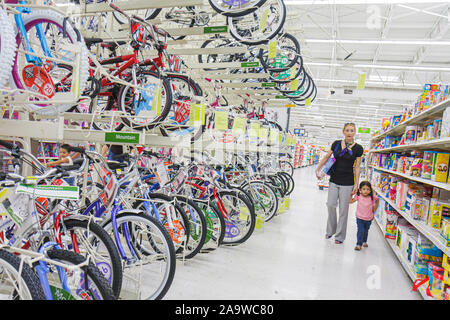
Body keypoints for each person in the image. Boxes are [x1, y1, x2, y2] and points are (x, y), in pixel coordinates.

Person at [315, 123, 364, 244]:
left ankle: (340, 236)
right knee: (330, 205)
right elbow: (327, 157)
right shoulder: (336, 144)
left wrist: (357, 184)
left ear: (355, 132)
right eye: (347, 130)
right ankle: (330, 231)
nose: (349, 132)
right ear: (343, 132)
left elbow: (357, 167)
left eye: (352, 130)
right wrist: (318, 169)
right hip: (334, 180)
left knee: (344, 210)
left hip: (348, 182)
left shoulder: (358, 148)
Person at [350, 181, 379, 251]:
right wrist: (351, 194)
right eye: (364, 189)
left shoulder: (372, 197)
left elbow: (377, 200)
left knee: (366, 230)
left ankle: (364, 241)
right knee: (361, 230)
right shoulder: (358, 196)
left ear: (370, 190)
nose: (366, 191)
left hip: (369, 218)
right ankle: (358, 244)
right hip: (359, 217)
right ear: (360, 190)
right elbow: (350, 201)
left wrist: (374, 208)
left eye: (368, 189)